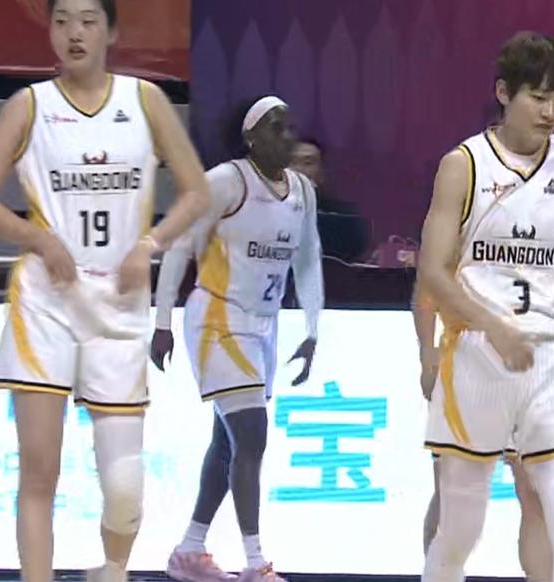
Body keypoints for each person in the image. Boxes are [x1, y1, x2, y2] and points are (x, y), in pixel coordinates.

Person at [0, 1, 212, 581]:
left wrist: (150, 243)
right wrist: (38, 239)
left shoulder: (144, 100)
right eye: (62, 21)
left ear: (111, 31)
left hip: (120, 304)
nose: (74, 33)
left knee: (125, 488)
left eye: (88, 20)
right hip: (47, 302)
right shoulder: (29, 106)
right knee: (39, 472)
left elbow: (197, 193)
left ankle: (111, 571)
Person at [416, 31, 554, 582]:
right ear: (504, 92)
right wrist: (491, 327)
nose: (550, 112)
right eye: (539, 98)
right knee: (460, 529)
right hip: (478, 355)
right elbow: (432, 271)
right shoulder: (464, 164)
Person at [152, 95, 323, 582]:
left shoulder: (302, 191)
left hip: (263, 325)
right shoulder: (226, 181)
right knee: (252, 435)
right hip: (218, 319)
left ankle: (189, 551)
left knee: (227, 444)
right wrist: (162, 322)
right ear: (250, 137)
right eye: (275, 127)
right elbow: (180, 247)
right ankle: (255, 563)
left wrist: (312, 330)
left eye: (289, 127)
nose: (287, 137)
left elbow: (308, 259)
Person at [413, 283, 552, 582]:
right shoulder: (456, 249)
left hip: (529, 363)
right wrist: (427, 353)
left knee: (534, 491)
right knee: (451, 495)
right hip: (467, 360)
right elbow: (427, 286)